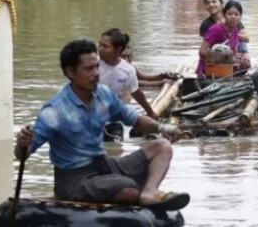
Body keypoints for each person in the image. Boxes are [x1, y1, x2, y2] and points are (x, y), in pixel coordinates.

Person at [14, 39, 190, 209]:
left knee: (162, 147)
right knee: (128, 189)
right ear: (70, 72)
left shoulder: (104, 95)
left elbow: (135, 120)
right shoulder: (55, 111)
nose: (96, 73)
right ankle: (137, 192)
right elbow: (23, 155)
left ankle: (149, 192)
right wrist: (22, 144)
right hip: (73, 178)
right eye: (89, 69)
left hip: (104, 165)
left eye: (97, 66)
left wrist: (161, 128)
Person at [99, 28, 158, 119]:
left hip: (110, 111)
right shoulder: (92, 63)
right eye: (100, 45)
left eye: (105, 46)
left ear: (118, 50)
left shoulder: (128, 70)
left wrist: (150, 112)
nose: (100, 49)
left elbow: (136, 92)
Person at [197, 0, 250, 76]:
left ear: (240, 17)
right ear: (224, 15)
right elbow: (202, 51)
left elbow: (234, 54)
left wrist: (243, 56)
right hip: (208, 71)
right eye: (229, 14)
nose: (233, 17)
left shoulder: (235, 30)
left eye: (236, 14)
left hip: (224, 70)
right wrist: (223, 56)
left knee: (245, 62)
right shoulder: (216, 29)